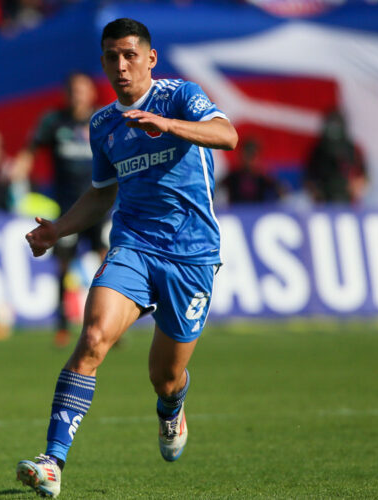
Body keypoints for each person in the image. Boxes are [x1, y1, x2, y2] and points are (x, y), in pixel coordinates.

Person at [15, 18, 237, 498]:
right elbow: (101, 194)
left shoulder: (180, 96)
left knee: (165, 376)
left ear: (150, 59)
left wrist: (169, 125)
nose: (121, 65)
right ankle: (52, 461)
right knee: (92, 338)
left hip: (192, 255)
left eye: (130, 55)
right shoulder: (103, 125)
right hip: (132, 246)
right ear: (103, 62)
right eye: (112, 56)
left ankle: (172, 407)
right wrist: (58, 229)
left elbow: (227, 135)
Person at [13, 71, 109, 348]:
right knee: (63, 266)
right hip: (68, 210)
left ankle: (108, 322)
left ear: (92, 93)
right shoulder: (54, 122)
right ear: (67, 94)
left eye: (84, 89)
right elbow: (30, 149)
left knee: (108, 262)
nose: (79, 95)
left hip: (100, 206)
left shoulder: (102, 121)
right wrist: (19, 170)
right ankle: (63, 325)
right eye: (74, 90)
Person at [304, 108, 368, 204]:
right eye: (331, 126)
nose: (333, 130)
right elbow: (308, 177)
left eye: (336, 126)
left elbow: (363, 176)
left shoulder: (353, 149)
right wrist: (316, 193)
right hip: (323, 202)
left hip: (349, 202)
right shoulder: (318, 150)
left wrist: (355, 191)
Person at [221, 138, 283, 204]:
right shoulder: (232, 177)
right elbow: (216, 190)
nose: (249, 159)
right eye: (247, 155)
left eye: (252, 155)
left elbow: (282, 192)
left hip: (259, 212)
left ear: (259, 157)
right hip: (235, 213)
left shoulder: (263, 179)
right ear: (240, 155)